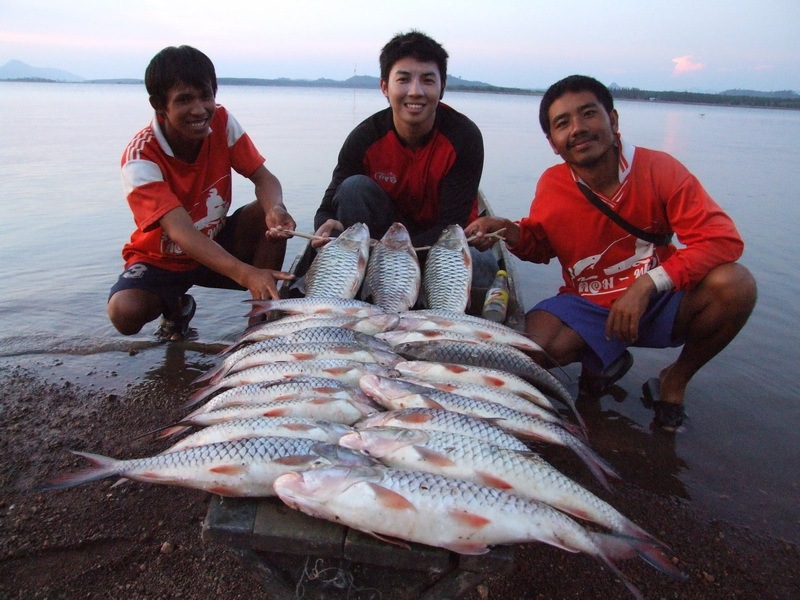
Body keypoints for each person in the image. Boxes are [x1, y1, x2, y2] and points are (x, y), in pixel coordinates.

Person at [466, 75, 757, 431]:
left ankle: (674, 381)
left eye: (588, 114)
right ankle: (603, 361)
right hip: (589, 301)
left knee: (736, 285)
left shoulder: (659, 170)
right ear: (553, 143)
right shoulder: (553, 184)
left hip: (658, 298)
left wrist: (647, 285)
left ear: (613, 120)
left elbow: (722, 240)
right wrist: (509, 231)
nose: (578, 129)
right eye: (563, 123)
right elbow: (542, 246)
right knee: (524, 355)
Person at [107, 45, 296, 341]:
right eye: (184, 100)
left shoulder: (221, 122)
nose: (200, 109)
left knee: (265, 217)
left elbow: (264, 178)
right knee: (125, 312)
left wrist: (276, 208)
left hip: (215, 241)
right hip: (163, 258)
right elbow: (182, 233)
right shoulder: (140, 157)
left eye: (205, 96)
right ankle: (176, 306)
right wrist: (247, 273)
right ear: (159, 105)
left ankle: (258, 327)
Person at [313, 30, 487, 259]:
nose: (415, 92)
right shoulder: (364, 138)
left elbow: (450, 225)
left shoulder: (464, 137)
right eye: (403, 79)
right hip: (381, 236)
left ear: (442, 87)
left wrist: (392, 251)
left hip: (439, 246)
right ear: (385, 87)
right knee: (353, 188)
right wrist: (327, 225)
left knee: (484, 268)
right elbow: (328, 206)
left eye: (428, 80)